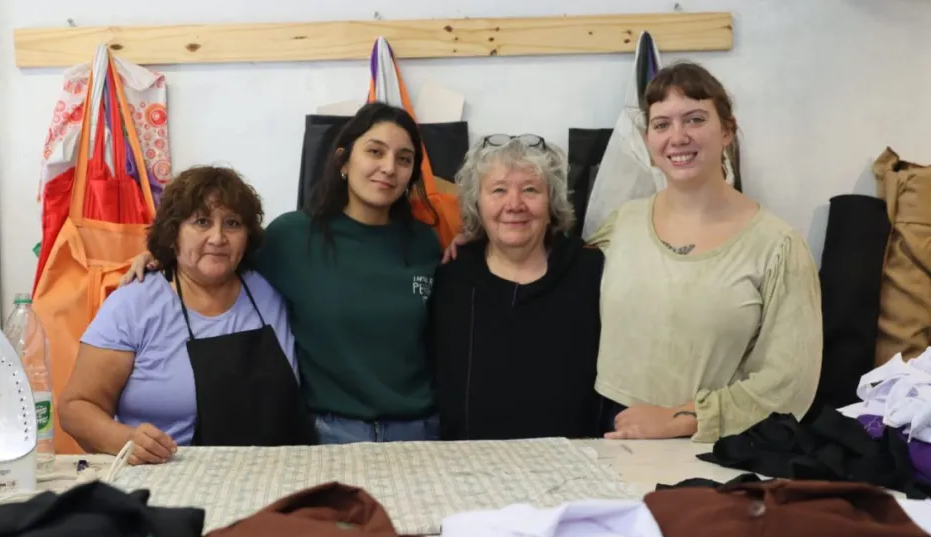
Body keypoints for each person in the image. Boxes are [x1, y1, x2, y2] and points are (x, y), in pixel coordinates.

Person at [122, 102, 443, 444]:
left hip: (420, 432)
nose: (389, 168)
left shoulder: (425, 242)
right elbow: (221, 255)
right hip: (330, 434)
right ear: (343, 161)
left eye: (404, 159)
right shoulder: (293, 236)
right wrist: (161, 254)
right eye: (375, 152)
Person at [586, 61, 822, 442]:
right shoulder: (622, 225)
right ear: (648, 140)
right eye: (662, 124)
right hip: (610, 434)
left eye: (694, 120)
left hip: (713, 445)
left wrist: (681, 419)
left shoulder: (778, 247)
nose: (678, 137)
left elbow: (790, 383)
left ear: (727, 130)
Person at [59, 166, 313, 464]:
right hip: (167, 475)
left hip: (274, 474)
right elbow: (76, 407)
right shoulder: (134, 303)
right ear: (173, 233)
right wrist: (123, 440)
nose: (218, 237)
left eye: (232, 223)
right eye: (201, 222)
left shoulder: (271, 288)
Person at [431, 134, 604, 440]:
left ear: (551, 203)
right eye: (499, 190)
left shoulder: (590, 273)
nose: (514, 204)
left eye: (530, 190)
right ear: (477, 203)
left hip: (574, 459)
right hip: (467, 461)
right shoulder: (451, 277)